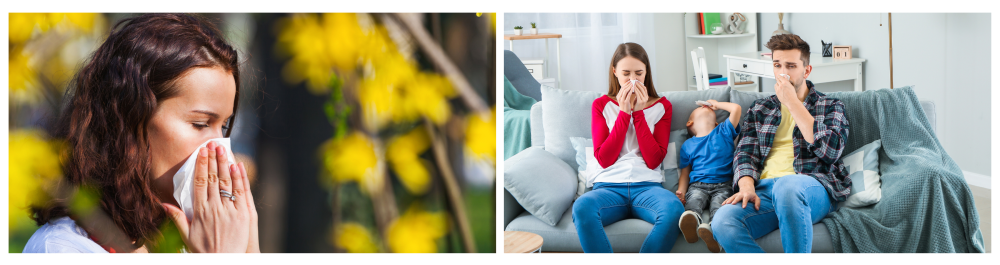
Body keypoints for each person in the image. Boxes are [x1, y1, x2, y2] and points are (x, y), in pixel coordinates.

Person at [24, 13, 259, 253]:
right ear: (129, 119)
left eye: (224, 127)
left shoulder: (187, 240)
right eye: (200, 124)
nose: (220, 148)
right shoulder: (61, 249)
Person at [711, 33, 851, 253]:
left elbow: (831, 151)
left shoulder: (830, 106)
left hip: (811, 186)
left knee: (788, 186)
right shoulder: (760, 108)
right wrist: (746, 186)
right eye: (777, 65)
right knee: (722, 221)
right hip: (766, 190)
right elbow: (745, 154)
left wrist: (793, 103)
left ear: (806, 70)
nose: (783, 73)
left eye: (791, 66)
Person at [572, 42, 683, 253]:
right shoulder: (601, 105)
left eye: (639, 73)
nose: (633, 80)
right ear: (614, 72)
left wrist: (638, 113)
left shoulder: (662, 106)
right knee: (582, 208)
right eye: (626, 73)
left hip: (648, 187)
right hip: (608, 186)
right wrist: (624, 114)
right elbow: (604, 159)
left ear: (646, 72)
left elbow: (653, 159)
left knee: (674, 209)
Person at [676, 99, 741, 253]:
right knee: (694, 201)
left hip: (724, 185)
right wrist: (681, 191)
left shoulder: (724, 131)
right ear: (689, 123)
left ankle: (712, 231)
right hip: (698, 184)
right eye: (702, 109)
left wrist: (717, 104)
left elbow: (736, 108)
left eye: (712, 111)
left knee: (719, 208)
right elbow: (685, 173)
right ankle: (691, 219)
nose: (706, 107)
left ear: (717, 123)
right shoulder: (687, 145)